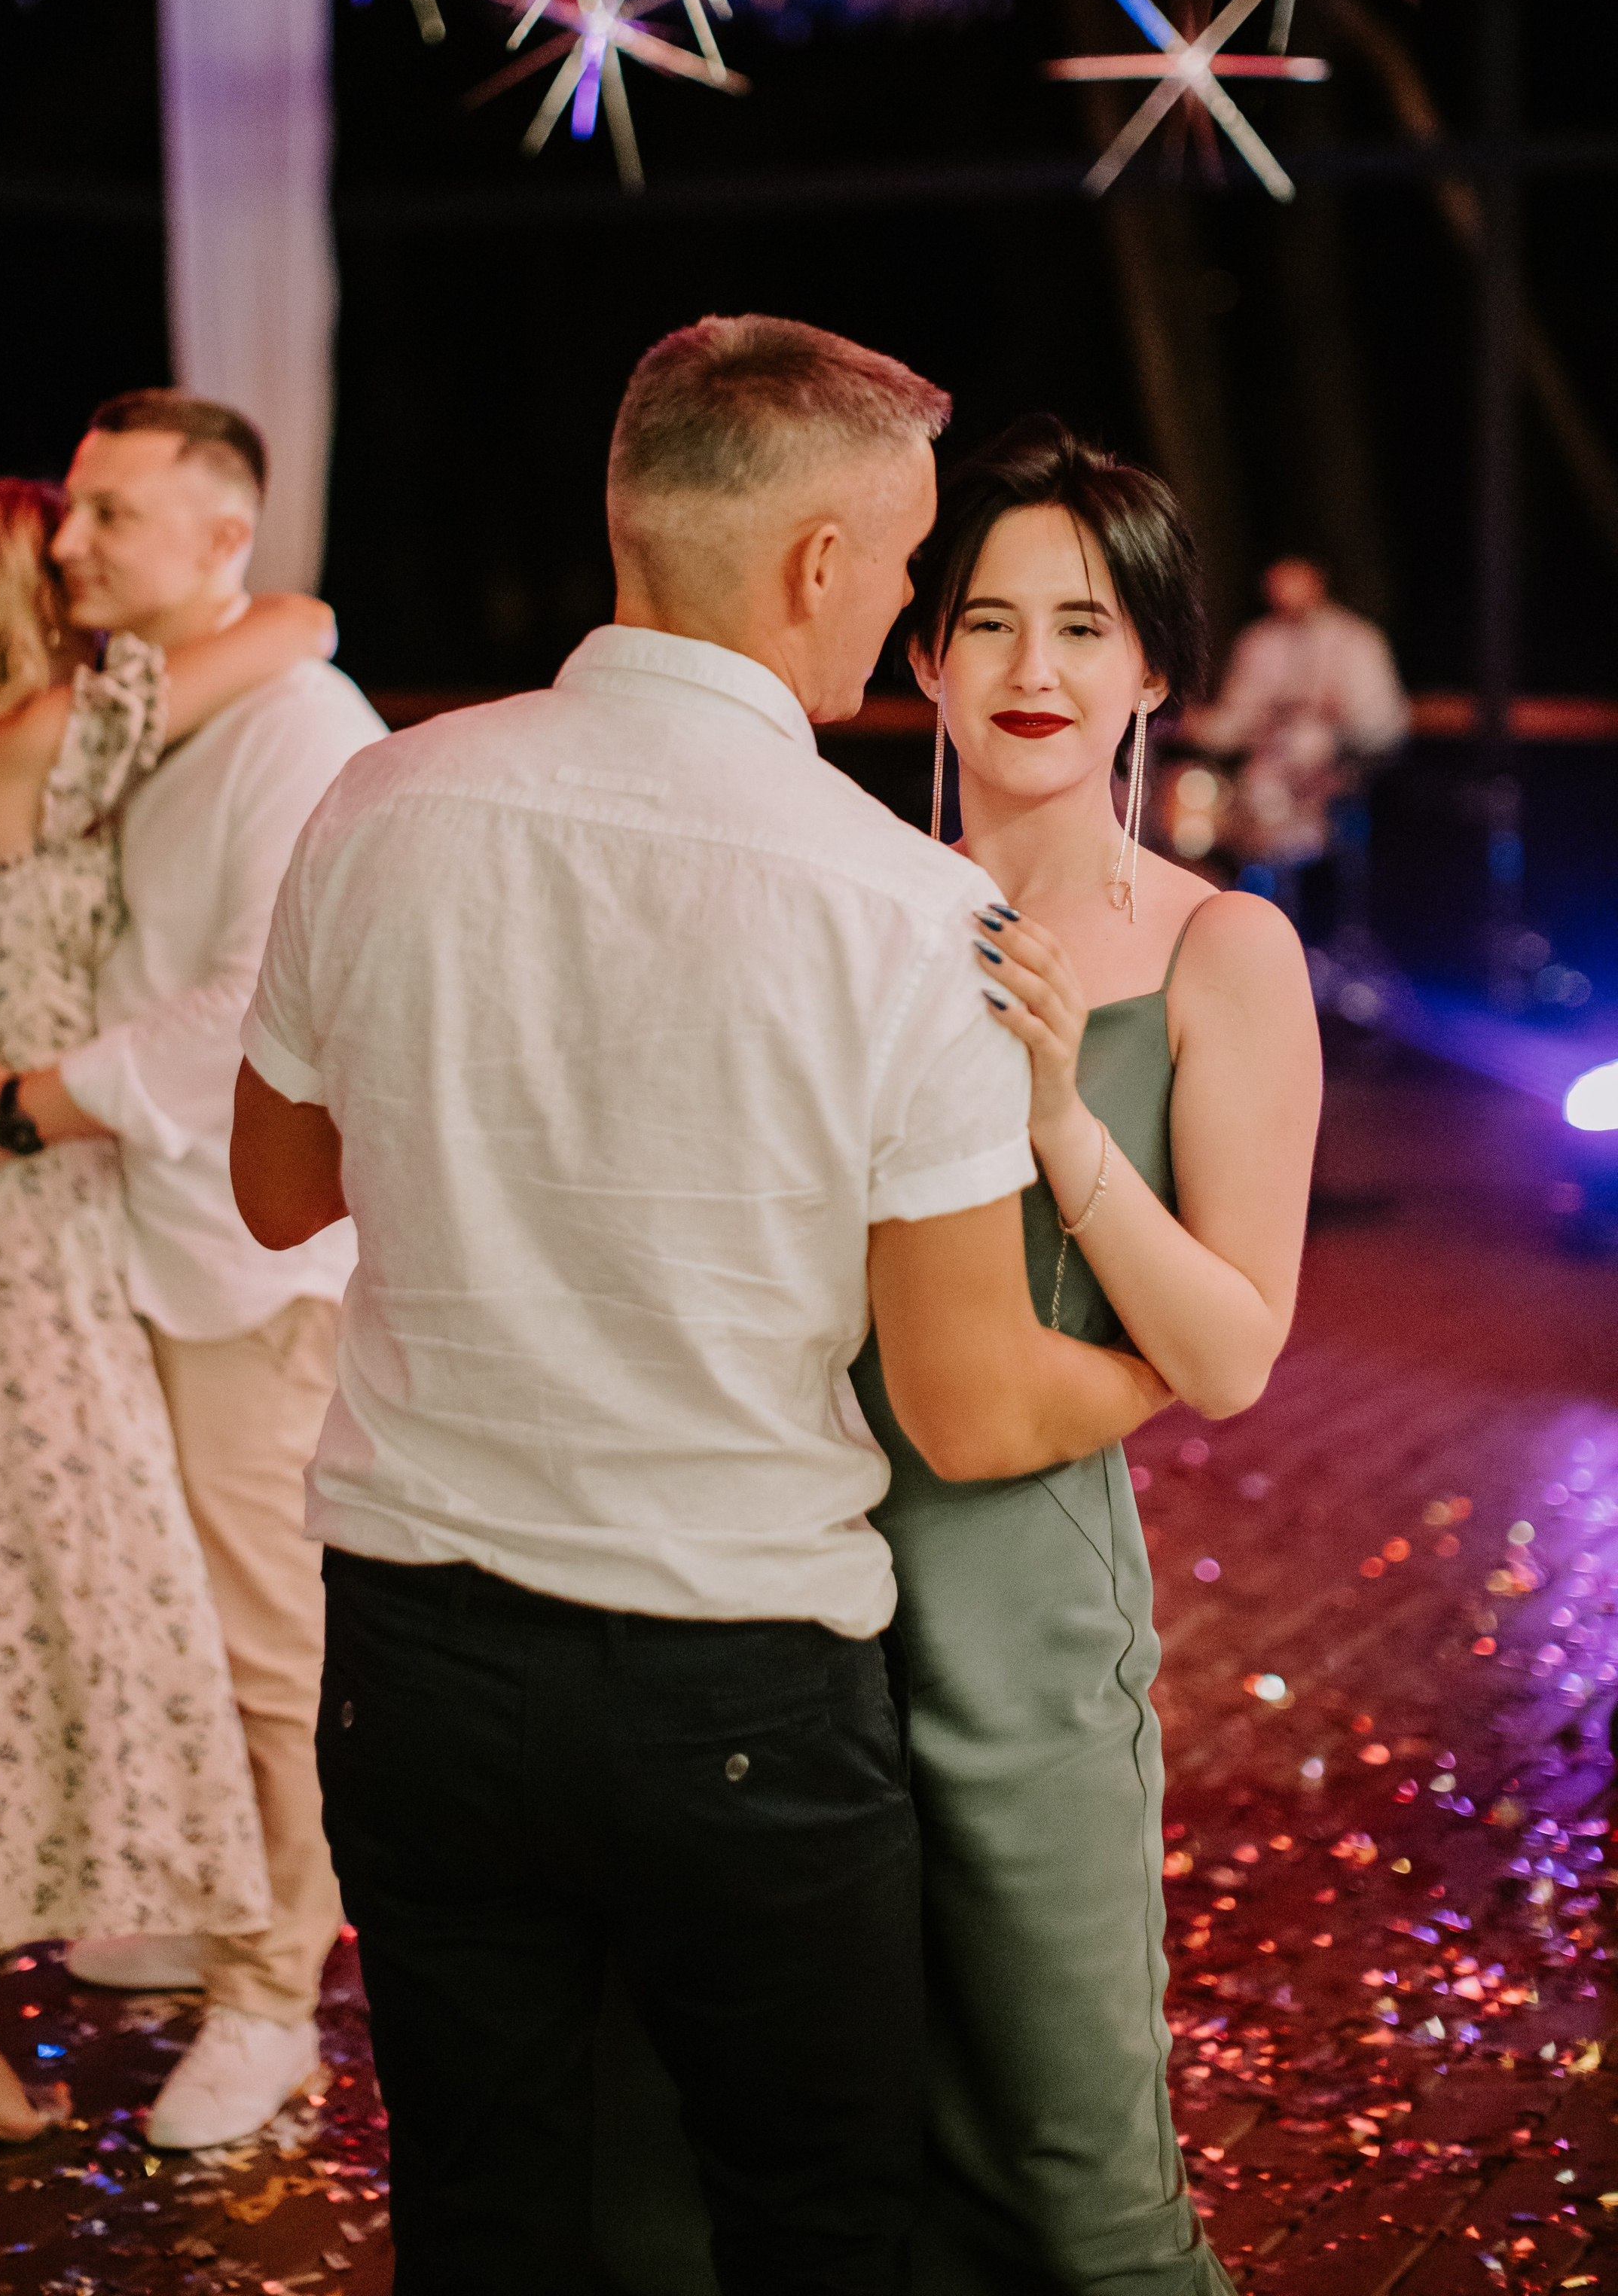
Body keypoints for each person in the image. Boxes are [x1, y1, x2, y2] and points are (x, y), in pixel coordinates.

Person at [227, 317, 1177, 2295]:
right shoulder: (908, 913)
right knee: (814, 2229)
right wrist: (1173, 1358)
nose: (903, 615)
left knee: (488, 2215)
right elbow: (978, 1409)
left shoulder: (384, 804)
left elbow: (275, 1189)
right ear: (822, 565)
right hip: (734, 1687)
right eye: (913, 572)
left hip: (412, 1660)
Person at [0, 395, 386, 2151]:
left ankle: (266, 1998)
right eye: (68, 515)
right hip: (98, 1243)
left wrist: (9, 1099)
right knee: (138, 1611)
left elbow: (256, 1012)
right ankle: (199, 1898)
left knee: (257, 1636)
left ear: (220, 541)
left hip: (232, 1246)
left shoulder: (291, 721)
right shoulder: (123, 715)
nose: (71, 543)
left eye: (109, 517)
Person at [871, 416, 1322, 2294]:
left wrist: (1062, 1115)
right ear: (920, 658)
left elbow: (1224, 1350)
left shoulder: (1222, 948)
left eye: (1081, 624)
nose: (1030, 670)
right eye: (984, 622)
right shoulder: (855, 912)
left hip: (1017, 1624)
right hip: (764, 1608)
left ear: (1152, 664)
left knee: (1078, 2190)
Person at [1191, 556, 1409, 891]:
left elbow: (1383, 724)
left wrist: (1330, 742)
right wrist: (1197, 727)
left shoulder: (1356, 640)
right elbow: (1236, 720)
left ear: (1316, 578)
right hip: (1262, 778)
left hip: (1336, 781)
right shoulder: (1258, 642)